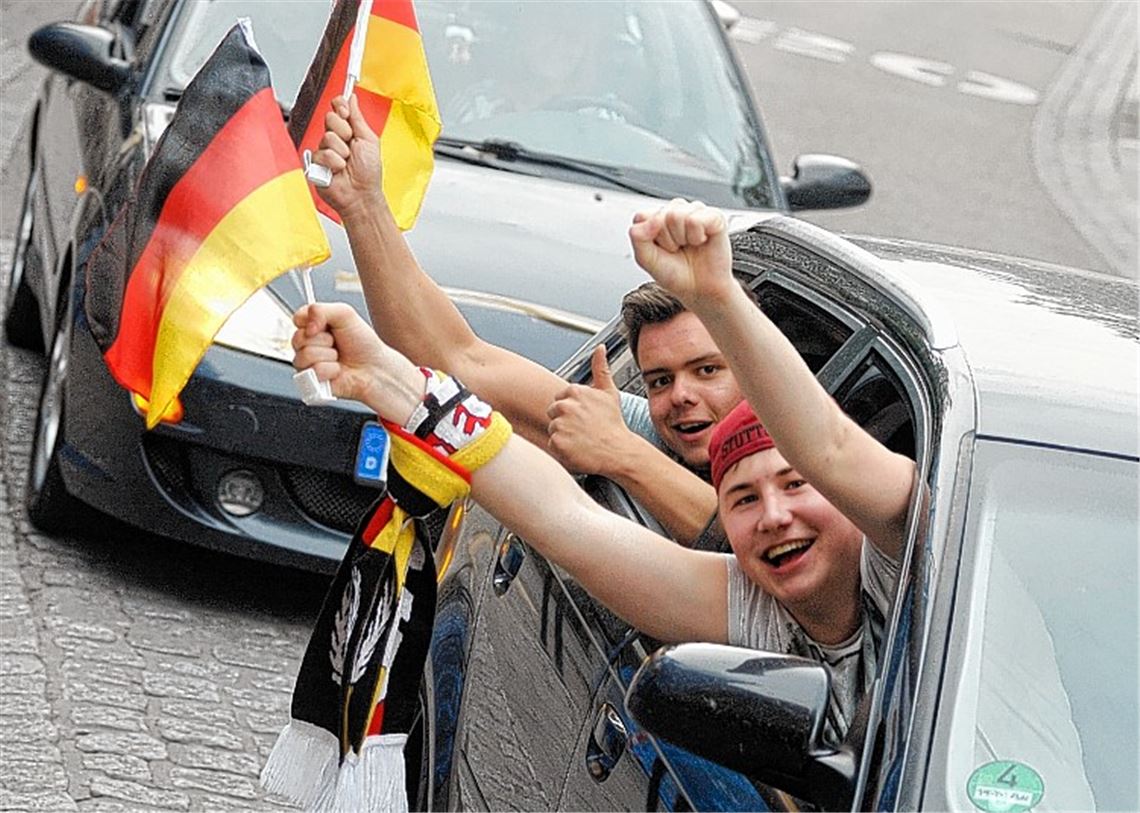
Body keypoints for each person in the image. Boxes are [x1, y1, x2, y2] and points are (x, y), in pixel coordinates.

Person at [291, 198, 918, 741]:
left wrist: (718, 296)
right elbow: (560, 514)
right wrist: (395, 385)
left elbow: (828, 445)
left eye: (796, 484)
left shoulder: (908, 550)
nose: (775, 518)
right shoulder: (759, 603)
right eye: (743, 500)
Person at [312, 94, 742, 545]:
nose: (681, 397)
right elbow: (460, 361)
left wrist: (624, 456)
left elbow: (744, 550)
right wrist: (363, 206)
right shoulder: (641, 428)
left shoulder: (788, 452)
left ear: (753, 372)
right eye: (659, 381)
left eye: (707, 370)